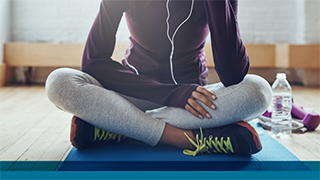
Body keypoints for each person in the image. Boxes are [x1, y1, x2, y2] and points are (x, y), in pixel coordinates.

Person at [45, 0, 272, 156]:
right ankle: (179, 137)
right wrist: (173, 94)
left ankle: (120, 127)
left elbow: (233, 74)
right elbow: (93, 62)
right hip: (133, 95)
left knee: (258, 91)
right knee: (59, 81)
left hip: (192, 106)